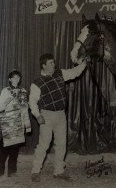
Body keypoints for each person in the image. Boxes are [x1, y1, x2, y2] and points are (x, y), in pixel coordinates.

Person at [29, 53, 87, 182]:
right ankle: (35, 171)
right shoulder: (37, 83)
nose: (53, 65)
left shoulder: (60, 73)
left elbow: (74, 72)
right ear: (43, 65)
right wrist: (37, 115)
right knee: (44, 144)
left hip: (61, 115)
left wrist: (83, 64)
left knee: (61, 144)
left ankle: (59, 171)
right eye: (50, 63)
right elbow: (32, 101)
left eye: (53, 62)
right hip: (46, 116)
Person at [0, 69, 31, 179]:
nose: (16, 79)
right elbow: (0, 107)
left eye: (18, 77)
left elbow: (25, 108)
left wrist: (26, 124)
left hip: (18, 122)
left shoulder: (23, 91)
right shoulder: (5, 91)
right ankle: (1, 170)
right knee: (4, 149)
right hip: (7, 122)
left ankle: (12, 171)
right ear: (9, 79)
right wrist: (10, 98)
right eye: (13, 77)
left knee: (15, 149)